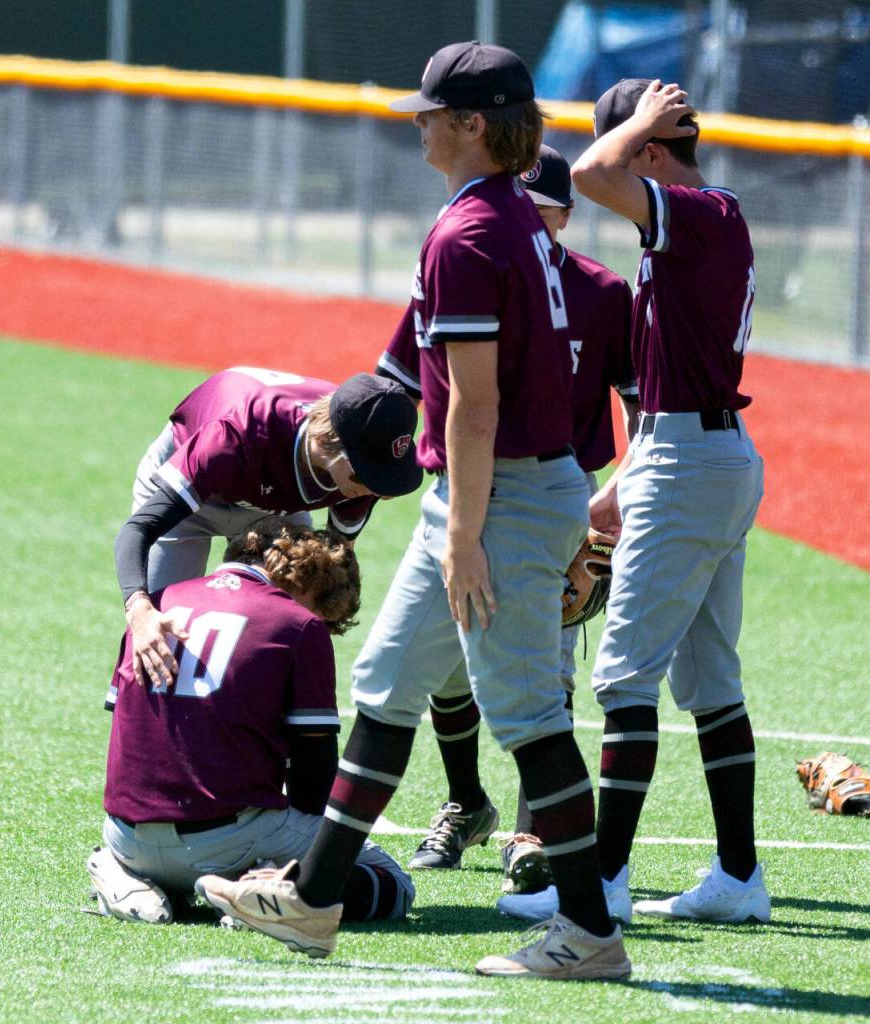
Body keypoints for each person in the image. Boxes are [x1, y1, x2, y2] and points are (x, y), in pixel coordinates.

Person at [196, 41, 632, 981]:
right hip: (496, 489)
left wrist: (465, 535)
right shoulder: (501, 217)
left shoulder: (471, 232)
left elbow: (475, 407)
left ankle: (591, 935)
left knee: (525, 710)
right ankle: (314, 901)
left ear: (474, 125)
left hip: (502, 495)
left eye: (433, 112)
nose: (421, 123)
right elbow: (420, 378)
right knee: (389, 683)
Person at [503, 78, 767, 927]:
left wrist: (638, 129)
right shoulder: (702, 224)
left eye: (633, 145)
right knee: (710, 679)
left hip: (694, 461)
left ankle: (603, 880)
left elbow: (587, 174)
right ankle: (737, 877)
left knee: (622, 678)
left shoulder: (701, 212)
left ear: (653, 151)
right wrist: (627, 481)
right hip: (689, 452)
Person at [379, 146, 638, 900]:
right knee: (441, 659)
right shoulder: (472, 263)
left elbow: (637, 402)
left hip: (554, 494)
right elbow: (396, 379)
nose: (529, 219)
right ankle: (467, 802)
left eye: (543, 209)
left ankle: (535, 834)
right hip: (464, 486)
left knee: (540, 674)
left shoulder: (599, 290)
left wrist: (616, 501)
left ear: (564, 215)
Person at [88, 519, 415, 927]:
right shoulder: (299, 624)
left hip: (123, 835)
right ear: (317, 587)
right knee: (395, 884)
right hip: (225, 843)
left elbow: (131, 728)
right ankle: (262, 893)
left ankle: (123, 875)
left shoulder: (155, 603)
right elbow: (313, 786)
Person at [112, 365, 422, 696]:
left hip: (276, 505)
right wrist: (139, 608)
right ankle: (136, 727)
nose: (382, 491)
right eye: (371, 477)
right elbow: (138, 529)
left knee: (290, 620)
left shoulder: (357, 457)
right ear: (325, 443)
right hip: (196, 492)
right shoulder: (234, 438)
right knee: (161, 633)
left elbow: (334, 568)